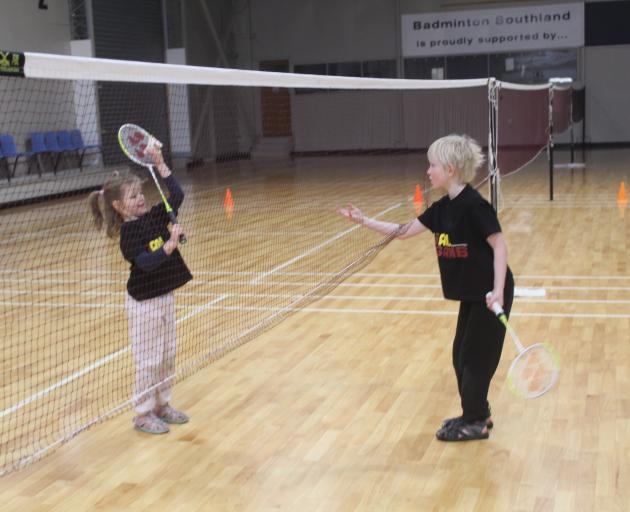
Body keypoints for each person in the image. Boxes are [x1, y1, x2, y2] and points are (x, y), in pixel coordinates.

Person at [337, 134, 514, 442]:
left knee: (473, 358)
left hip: (490, 293)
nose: (428, 171)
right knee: (461, 354)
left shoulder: (474, 206)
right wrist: (364, 221)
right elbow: (403, 232)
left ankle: (474, 421)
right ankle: (478, 412)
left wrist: (498, 290)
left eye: (432, 165)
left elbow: (499, 245)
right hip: (474, 293)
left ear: (450, 170)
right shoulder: (442, 209)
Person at [88, 146, 192, 435]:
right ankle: (143, 413)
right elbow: (146, 263)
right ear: (119, 207)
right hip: (143, 303)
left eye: (140, 193)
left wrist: (159, 162)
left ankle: (162, 405)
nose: (141, 198)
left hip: (164, 296)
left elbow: (178, 196)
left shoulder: (156, 217)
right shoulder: (128, 235)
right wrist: (170, 245)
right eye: (133, 196)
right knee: (149, 359)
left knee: (168, 354)